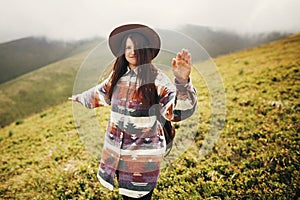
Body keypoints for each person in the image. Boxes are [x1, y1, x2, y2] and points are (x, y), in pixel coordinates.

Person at [69, 24, 197, 199]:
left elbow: (180, 110)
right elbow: (98, 93)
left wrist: (182, 82)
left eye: (137, 47)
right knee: (126, 195)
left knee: (138, 195)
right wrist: (78, 97)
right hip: (116, 153)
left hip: (143, 157)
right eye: (128, 47)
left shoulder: (158, 80)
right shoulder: (117, 76)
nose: (132, 51)